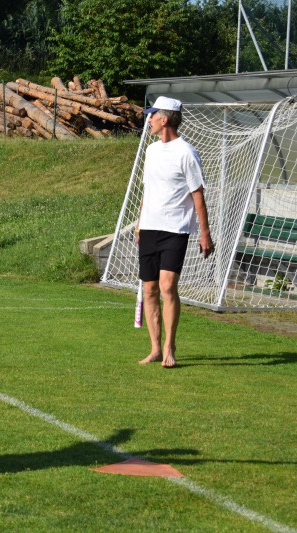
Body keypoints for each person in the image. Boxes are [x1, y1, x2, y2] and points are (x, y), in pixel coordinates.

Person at [136, 96, 214, 369]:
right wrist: (139, 223)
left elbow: (198, 195)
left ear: (164, 119)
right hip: (149, 227)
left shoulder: (187, 153)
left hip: (175, 229)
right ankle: (155, 349)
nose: (149, 119)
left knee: (167, 286)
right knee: (149, 289)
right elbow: (147, 190)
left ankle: (170, 347)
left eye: (152, 115)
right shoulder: (151, 151)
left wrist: (205, 233)